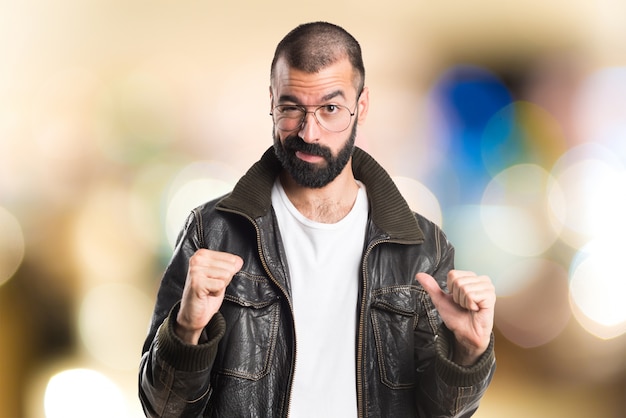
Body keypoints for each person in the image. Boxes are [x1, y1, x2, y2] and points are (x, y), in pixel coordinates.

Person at [139, 21, 496, 417]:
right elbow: (162, 408)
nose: (310, 132)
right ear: (271, 101)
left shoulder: (422, 248)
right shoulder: (213, 232)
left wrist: (469, 352)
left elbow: (441, 413)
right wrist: (187, 331)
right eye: (292, 108)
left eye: (330, 108)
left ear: (360, 106)